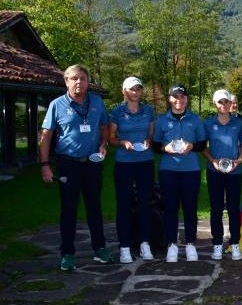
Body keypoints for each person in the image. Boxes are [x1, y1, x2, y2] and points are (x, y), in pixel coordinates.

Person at [39, 64, 113, 270]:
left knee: (94, 208)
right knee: (69, 210)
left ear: (88, 81)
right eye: (74, 78)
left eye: (82, 78)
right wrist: (45, 165)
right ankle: (67, 253)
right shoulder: (57, 105)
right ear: (66, 81)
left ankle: (100, 249)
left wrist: (103, 144)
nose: (78, 82)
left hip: (92, 163)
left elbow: (104, 126)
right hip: (67, 164)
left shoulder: (97, 102)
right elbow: (46, 137)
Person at [152, 85, 206, 263]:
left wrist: (192, 146)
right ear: (170, 99)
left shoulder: (195, 120)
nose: (179, 100)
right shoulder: (162, 121)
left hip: (191, 170)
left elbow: (202, 145)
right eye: (175, 97)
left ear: (186, 99)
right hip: (169, 170)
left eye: (182, 97)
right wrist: (164, 148)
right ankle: (172, 245)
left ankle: (190, 244)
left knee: (190, 208)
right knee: (170, 208)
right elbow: (155, 145)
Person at [109, 76, 155, 263]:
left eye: (138, 89)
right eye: (132, 89)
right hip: (124, 162)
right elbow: (111, 138)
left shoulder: (148, 111)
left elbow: (152, 136)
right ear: (124, 91)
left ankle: (145, 244)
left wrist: (148, 142)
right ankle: (125, 246)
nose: (135, 92)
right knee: (124, 205)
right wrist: (122, 142)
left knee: (145, 203)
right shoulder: (117, 112)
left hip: (145, 161)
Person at [202, 89, 242, 261]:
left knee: (234, 208)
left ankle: (235, 243)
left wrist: (239, 161)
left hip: (235, 171)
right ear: (215, 104)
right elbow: (202, 146)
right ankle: (217, 244)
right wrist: (212, 161)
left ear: (230, 103)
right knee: (216, 208)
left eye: (226, 101)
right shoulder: (208, 124)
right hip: (214, 171)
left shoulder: (239, 123)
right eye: (220, 102)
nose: (224, 105)